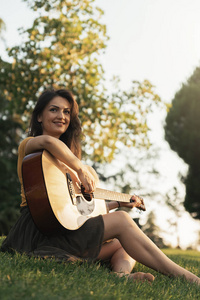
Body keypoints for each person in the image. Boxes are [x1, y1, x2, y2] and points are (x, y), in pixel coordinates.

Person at [1, 89, 200, 285]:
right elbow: (48, 142)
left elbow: (81, 210)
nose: (61, 116)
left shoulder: (66, 165)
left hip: (64, 231)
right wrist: (80, 169)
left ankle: (121, 276)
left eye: (67, 111)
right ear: (39, 117)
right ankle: (189, 278)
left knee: (125, 242)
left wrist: (119, 203)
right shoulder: (30, 148)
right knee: (122, 222)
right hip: (40, 232)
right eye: (54, 110)